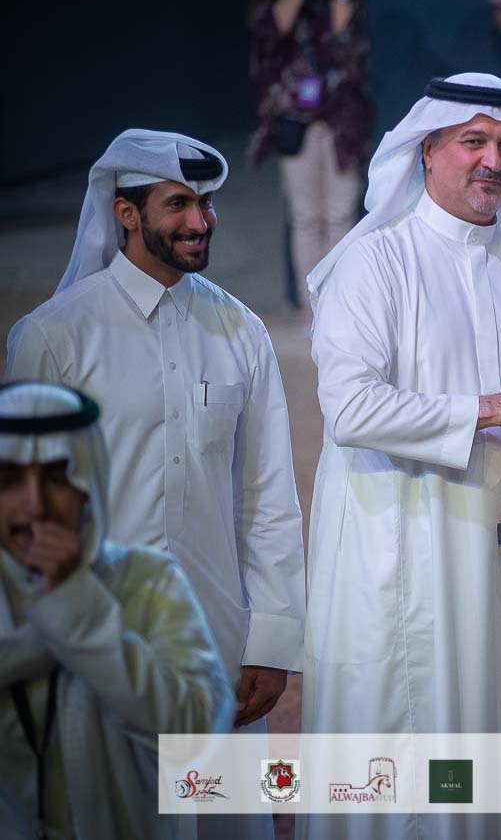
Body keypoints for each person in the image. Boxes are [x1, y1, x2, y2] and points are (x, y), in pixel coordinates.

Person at [301, 73, 501, 840]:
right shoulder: (376, 260)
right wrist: (492, 407)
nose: (492, 160)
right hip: (400, 557)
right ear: (427, 149)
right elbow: (350, 407)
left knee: (499, 757)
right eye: (473, 142)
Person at [4, 132, 304, 791]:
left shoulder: (242, 332)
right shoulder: (54, 337)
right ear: (127, 213)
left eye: (206, 203)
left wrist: (270, 642)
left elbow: (268, 498)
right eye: (178, 204)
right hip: (99, 651)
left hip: (218, 647)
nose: (200, 221)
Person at [0, 380, 232, 840]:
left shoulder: (147, 585)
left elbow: (196, 737)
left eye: (57, 477)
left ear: (89, 484)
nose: (36, 506)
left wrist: (75, 606)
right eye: (9, 481)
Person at [248, 0, 375, 312]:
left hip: (341, 121)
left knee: (340, 215)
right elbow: (271, 33)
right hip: (295, 120)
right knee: (306, 216)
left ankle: (338, 307)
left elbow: (347, 52)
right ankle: (310, 308)